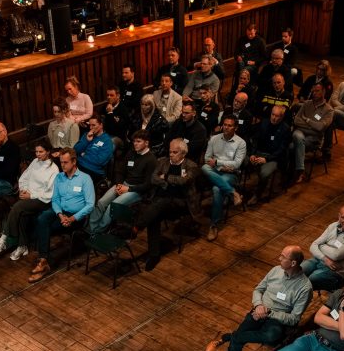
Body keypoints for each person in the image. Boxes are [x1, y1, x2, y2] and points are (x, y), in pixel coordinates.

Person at [205, 245, 313, 351]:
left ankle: (227, 337)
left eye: (283, 257)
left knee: (270, 336)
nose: (279, 259)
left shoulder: (305, 288)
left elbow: (294, 319)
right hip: (258, 311)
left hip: (276, 320)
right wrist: (258, 306)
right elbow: (258, 289)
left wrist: (269, 313)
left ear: (293, 263)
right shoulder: (276, 270)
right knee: (236, 344)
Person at [29, 150, 95, 282]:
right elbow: (55, 199)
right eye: (61, 162)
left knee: (44, 226)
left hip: (76, 217)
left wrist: (72, 218)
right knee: (42, 219)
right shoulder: (59, 177)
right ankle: (43, 260)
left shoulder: (85, 179)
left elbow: (90, 205)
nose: (63, 165)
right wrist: (60, 215)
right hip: (60, 213)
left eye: (66, 162)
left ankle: (45, 263)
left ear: (74, 161)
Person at [138, 139, 200, 271]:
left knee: (160, 203)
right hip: (161, 202)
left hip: (180, 203)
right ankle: (154, 255)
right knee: (154, 216)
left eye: (175, 152)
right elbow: (154, 178)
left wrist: (165, 177)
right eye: (170, 151)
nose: (171, 154)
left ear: (183, 153)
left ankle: (136, 227)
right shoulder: (162, 161)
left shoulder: (192, 166)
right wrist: (168, 182)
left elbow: (184, 181)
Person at [0, 144, 59, 261]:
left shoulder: (54, 169)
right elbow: (24, 177)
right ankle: (22, 246)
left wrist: (31, 195)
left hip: (42, 200)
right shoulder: (35, 161)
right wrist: (23, 190)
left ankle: (3, 238)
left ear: (48, 152)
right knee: (21, 214)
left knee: (17, 207)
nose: (37, 154)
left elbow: (49, 193)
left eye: (41, 152)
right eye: (36, 152)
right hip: (28, 196)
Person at [88, 131, 156, 235]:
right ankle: (91, 228)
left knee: (113, 206)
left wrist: (128, 189)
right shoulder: (131, 153)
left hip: (137, 190)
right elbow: (120, 171)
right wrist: (119, 184)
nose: (135, 144)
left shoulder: (151, 160)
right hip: (123, 184)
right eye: (134, 141)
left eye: (139, 141)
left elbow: (147, 185)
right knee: (101, 202)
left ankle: (99, 230)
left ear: (146, 143)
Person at [301, 204, 344, 291]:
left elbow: (336, 255)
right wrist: (325, 259)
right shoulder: (333, 226)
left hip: (337, 272)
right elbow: (312, 246)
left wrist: (321, 245)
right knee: (298, 271)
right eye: (343, 217)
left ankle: (294, 300)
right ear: (339, 216)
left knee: (311, 279)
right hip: (320, 260)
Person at [202, 115, 247, 241]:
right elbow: (206, 158)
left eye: (229, 125)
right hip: (215, 171)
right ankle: (233, 193)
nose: (226, 127)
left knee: (217, 189)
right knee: (204, 168)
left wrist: (218, 163)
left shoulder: (241, 143)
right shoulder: (214, 139)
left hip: (231, 174)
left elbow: (237, 164)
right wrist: (222, 165)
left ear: (235, 128)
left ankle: (213, 225)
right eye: (225, 124)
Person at [248, 104, 292, 204]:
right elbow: (255, 140)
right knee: (243, 162)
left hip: (273, 157)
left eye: (277, 116)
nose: (274, 118)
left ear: (282, 117)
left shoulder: (286, 129)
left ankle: (257, 194)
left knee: (265, 173)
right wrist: (252, 154)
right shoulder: (264, 122)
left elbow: (281, 150)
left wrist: (266, 159)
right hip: (259, 153)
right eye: (272, 114)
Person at [290, 81, 333, 181]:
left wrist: (307, 119)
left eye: (317, 91)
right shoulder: (307, 104)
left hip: (314, 138)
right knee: (298, 137)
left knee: (292, 146)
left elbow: (320, 127)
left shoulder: (329, 110)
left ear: (323, 92)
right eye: (313, 91)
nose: (314, 93)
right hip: (300, 133)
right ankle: (299, 170)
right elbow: (296, 120)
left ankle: (291, 171)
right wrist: (311, 126)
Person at [73, 115, 114, 183]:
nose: (91, 128)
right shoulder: (87, 135)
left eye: (93, 125)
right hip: (79, 165)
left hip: (93, 170)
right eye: (90, 125)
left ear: (101, 125)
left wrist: (84, 155)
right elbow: (76, 150)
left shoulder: (107, 141)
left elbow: (100, 161)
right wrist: (87, 140)